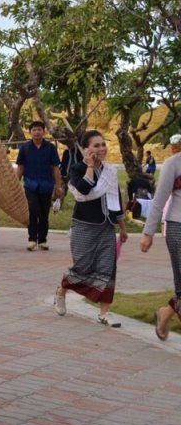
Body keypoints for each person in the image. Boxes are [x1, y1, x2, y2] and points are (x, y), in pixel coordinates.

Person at [54, 129, 127, 327]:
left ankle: (105, 313)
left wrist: (122, 227)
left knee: (107, 269)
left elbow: (116, 200)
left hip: (107, 226)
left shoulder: (110, 171)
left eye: (103, 145)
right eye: (96, 145)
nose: (102, 149)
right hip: (84, 226)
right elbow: (84, 189)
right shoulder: (76, 169)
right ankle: (61, 291)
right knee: (82, 267)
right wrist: (89, 166)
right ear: (86, 149)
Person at [139, 142, 181, 340]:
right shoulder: (174, 163)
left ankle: (165, 313)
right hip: (178, 227)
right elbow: (159, 200)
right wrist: (148, 232)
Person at [15, 121, 63, 251]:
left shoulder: (50, 148)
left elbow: (55, 168)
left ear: (44, 131)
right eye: (34, 130)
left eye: (39, 130)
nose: (37, 132)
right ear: (30, 132)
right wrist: (16, 184)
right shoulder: (25, 148)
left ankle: (42, 240)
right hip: (30, 184)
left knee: (44, 212)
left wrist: (58, 186)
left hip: (46, 184)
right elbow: (20, 167)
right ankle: (32, 239)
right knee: (33, 210)